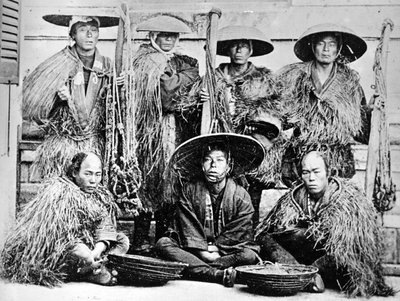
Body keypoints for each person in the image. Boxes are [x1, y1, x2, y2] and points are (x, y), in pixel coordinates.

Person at [255, 151, 394, 297]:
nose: (311, 178)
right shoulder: (294, 198)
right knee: (266, 239)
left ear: (328, 172)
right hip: (302, 257)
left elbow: (354, 248)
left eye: (316, 171)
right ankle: (304, 276)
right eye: (306, 172)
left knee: (346, 251)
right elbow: (267, 232)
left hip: (332, 260)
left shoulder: (348, 199)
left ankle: (304, 275)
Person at [186, 25, 283, 226]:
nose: (239, 51)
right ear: (228, 50)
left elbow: (275, 115)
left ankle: (249, 234)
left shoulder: (264, 80)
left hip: (251, 145)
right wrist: (201, 99)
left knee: (250, 195)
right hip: (220, 145)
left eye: (244, 46)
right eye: (234, 46)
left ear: (251, 50)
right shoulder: (214, 77)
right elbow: (191, 111)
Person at [125, 15, 200, 253]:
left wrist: (182, 82)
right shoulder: (144, 61)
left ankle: (164, 241)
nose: (168, 39)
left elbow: (190, 88)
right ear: (153, 36)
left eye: (173, 35)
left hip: (176, 131)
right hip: (150, 131)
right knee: (148, 181)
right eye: (164, 35)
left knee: (172, 181)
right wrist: (185, 80)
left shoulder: (182, 61)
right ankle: (139, 241)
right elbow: (167, 97)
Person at [1, 152, 129, 286]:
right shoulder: (60, 192)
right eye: (88, 174)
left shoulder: (99, 195)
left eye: (98, 174)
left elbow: (104, 226)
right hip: (68, 249)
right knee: (76, 255)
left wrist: (97, 250)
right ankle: (90, 270)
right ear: (75, 172)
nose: (93, 180)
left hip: (91, 248)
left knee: (122, 241)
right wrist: (84, 252)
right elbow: (58, 235)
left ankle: (92, 267)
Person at [155, 133, 265, 287]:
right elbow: (187, 228)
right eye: (208, 160)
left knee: (249, 255)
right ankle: (216, 274)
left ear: (229, 166)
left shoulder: (241, 196)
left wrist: (216, 253)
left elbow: (238, 233)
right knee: (163, 244)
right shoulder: (189, 190)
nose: (213, 165)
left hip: (225, 254)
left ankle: (195, 270)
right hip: (196, 251)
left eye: (220, 160)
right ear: (202, 165)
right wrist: (204, 253)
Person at [22, 14, 119, 178]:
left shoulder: (109, 66)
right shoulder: (56, 65)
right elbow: (36, 111)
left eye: (93, 30)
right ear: (72, 34)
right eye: (82, 30)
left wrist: (117, 87)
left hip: (96, 144)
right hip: (65, 144)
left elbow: (116, 107)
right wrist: (60, 100)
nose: (89, 35)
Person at [277, 23, 371, 187]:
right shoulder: (294, 77)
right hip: (301, 154)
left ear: (339, 48)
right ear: (313, 47)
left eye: (332, 44)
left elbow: (362, 130)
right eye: (321, 43)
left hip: (337, 157)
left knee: (333, 202)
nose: (326, 49)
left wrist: (374, 111)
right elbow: (279, 116)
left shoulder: (350, 83)